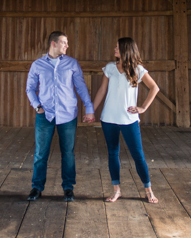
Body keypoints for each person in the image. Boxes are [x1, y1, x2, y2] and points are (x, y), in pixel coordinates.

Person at [25, 31, 94, 202]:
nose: (67, 46)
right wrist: (37, 106)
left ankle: (68, 188)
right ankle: (37, 188)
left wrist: (89, 108)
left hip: (67, 115)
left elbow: (81, 87)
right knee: (41, 153)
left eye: (67, 42)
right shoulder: (38, 65)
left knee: (68, 153)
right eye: (64, 42)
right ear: (53, 44)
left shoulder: (72, 64)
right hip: (45, 115)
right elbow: (30, 88)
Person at [92, 37, 160, 204]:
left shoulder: (138, 69)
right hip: (108, 119)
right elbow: (102, 90)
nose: (114, 49)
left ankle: (148, 190)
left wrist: (142, 108)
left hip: (129, 119)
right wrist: (91, 109)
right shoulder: (109, 68)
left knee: (138, 155)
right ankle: (116, 190)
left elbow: (154, 88)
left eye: (117, 47)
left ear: (126, 49)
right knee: (113, 154)